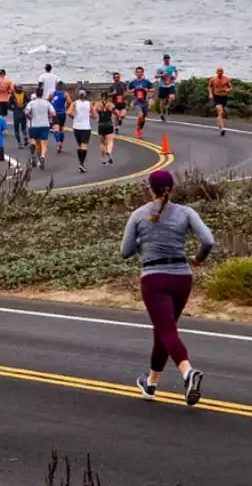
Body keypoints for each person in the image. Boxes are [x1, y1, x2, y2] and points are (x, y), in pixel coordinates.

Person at [121, 170, 214, 406]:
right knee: (163, 331)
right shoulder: (186, 212)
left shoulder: (139, 215)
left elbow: (125, 251)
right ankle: (150, 384)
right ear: (171, 188)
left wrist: (144, 240)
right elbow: (208, 240)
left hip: (154, 278)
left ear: (150, 189)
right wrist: (199, 259)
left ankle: (187, 372)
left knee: (167, 331)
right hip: (182, 277)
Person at [24, 89, 55, 169]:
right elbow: (53, 113)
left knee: (37, 143)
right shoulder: (47, 102)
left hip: (34, 125)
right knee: (44, 142)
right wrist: (48, 118)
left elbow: (26, 112)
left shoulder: (31, 103)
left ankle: (38, 157)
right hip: (45, 125)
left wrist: (29, 118)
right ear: (42, 94)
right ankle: (43, 156)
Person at [69, 90, 93, 173]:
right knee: (84, 145)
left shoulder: (74, 103)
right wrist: (90, 115)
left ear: (78, 95)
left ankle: (81, 164)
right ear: (85, 95)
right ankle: (81, 164)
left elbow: (69, 112)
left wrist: (74, 118)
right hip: (86, 127)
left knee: (80, 145)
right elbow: (94, 115)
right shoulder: (89, 103)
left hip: (77, 127)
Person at [128, 67, 154, 139]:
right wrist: (132, 90)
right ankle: (138, 130)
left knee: (143, 119)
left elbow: (153, 89)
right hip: (137, 101)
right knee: (140, 115)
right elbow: (128, 90)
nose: (139, 73)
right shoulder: (133, 82)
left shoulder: (146, 82)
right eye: (138, 72)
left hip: (144, 102)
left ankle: (139, 128)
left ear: (143, 73)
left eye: (140, 72)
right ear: (136, 73)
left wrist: (148, 89)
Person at [93, 91, 117, 165]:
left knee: (102, 142)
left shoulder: (97, 104)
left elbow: (93, 112)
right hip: (109, 124)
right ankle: (109, 151)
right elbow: (116, 112)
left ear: (101, 97)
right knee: (110, 141)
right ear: (107, 97)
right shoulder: (110, 104)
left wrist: (97, 117)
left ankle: (103, 159)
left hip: (101, 125)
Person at [208, 67, 233, 136]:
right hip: (217, 96)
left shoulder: (226, 79)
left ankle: (219, 124)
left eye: (221, 71)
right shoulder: (213, 79)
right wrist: (210, 94)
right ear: (216, 72)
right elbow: (209, 87)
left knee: (221, 114)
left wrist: (228, 90)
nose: (220, 72)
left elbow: (231, 87)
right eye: (219, 71)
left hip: (224, 97)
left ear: (223, 72)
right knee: (220, 111)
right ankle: (222, 128)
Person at [154, 54, 179, 122]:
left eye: (168, 59)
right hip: (162, 85)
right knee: (162, 101)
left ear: (169, 59)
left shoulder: (172, 66)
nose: (167, 60)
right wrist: (162, 75)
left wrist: (175, 77)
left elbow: (176, 71)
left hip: (171, 84)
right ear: (164, 60)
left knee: (172, 97)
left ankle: (167, 106)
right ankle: (161, 114)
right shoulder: (160, 68)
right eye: (165, 59)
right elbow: (155, 76)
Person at [49, 83, 68, 154]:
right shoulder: (65, 94)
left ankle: (58, 142)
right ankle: (61, 146)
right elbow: (69, 102)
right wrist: (66, 106)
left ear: (56, 87)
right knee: (61, 129)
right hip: (63, 113)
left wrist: (51, 106)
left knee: (55, 129)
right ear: (62, 87)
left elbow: (48, 100)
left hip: (55, 113)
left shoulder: (52, 93)